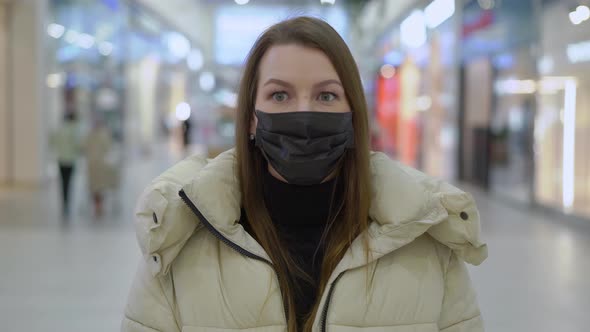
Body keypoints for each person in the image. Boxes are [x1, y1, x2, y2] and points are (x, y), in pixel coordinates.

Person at [122, 17, 487, 332]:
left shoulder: (423, 237)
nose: (304, 114)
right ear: (251, 117)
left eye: (326, 96)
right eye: (279, 95)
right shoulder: (177, 236)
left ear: (353, 113)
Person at [50, 112, 81, 218]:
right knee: (69, 183)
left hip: (61, 160)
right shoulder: (73, 130)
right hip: (70, 160)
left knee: (63, 183)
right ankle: (67, 203)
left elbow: (52, 142)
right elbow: (77, 145)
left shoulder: (58, 130)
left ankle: (64, 203)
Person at [84, 114, 115, 217]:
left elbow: (84, 148)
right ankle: (99, 206)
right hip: (100, 164)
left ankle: (98, 205)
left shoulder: (89, 135)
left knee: (96, 187)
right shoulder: (104, 135)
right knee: (99, 187)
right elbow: (108, 148)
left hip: (93, 164)